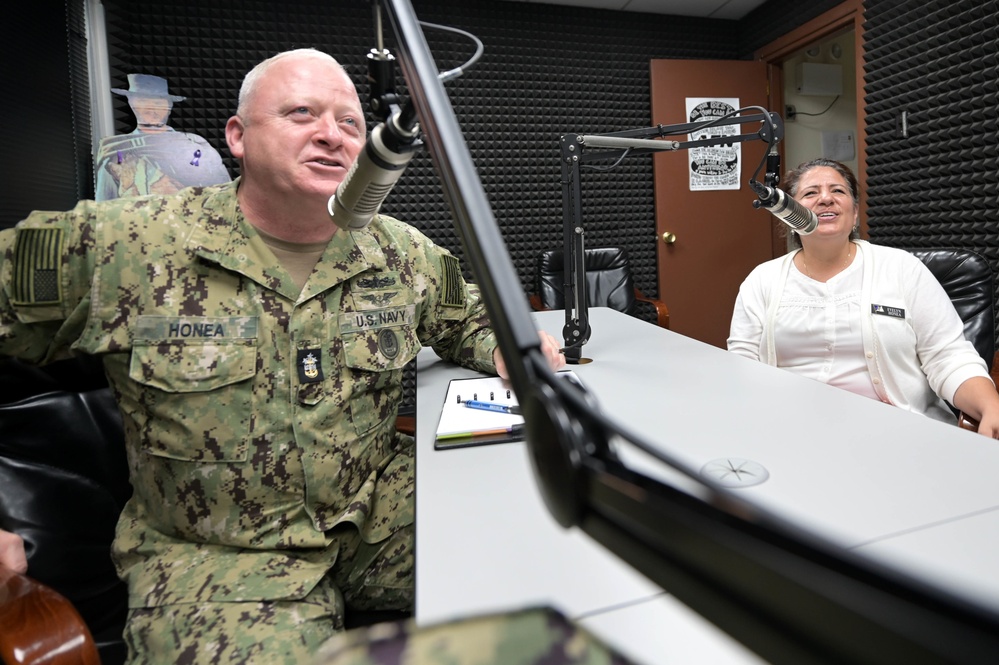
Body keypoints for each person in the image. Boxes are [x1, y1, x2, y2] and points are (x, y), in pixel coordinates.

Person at [0, 48, 565, 663]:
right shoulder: (125, 244)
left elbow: (467, 313)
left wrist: (509, 345)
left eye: (351, 124)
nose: (331, 135)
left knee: (551, 550)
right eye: (301, 113)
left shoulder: (398, 251)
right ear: (237, 137)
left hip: (378, 510)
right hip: (221, 560)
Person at [728, 157, 999, 438]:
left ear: (855, 213)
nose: (825, 199)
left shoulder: (902, 268)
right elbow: (742, 368)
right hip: (791, 433)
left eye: (838, 191)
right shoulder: (762, 280)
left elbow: (948, 357)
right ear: (787, 212)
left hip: (898, 434)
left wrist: (990, 405)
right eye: (810, 193)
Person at [94, 73, 231, 200]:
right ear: (131, 103)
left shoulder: (194, 144)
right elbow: (105, 205)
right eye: (143, 102)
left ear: (169, 105)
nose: (152, 109)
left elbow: (225, 195)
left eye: (158, 103)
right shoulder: (117, 150)